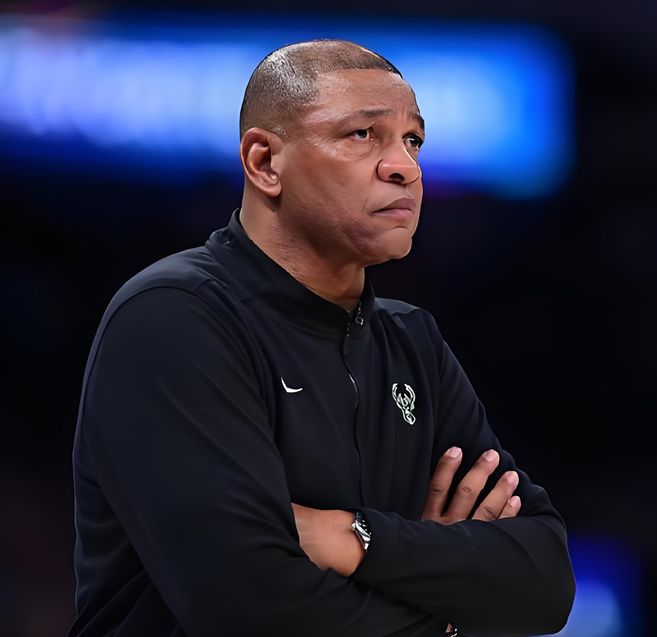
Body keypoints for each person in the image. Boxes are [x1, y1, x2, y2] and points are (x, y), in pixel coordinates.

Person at [69, 40, 575, 637]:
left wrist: (354, 537)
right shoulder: (173, 317)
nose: (405, 167)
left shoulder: (413, 341)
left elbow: (544, 582)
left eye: (413, 140)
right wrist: (446, 606)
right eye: (363, 134)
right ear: (264, 162)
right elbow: (249, 607)